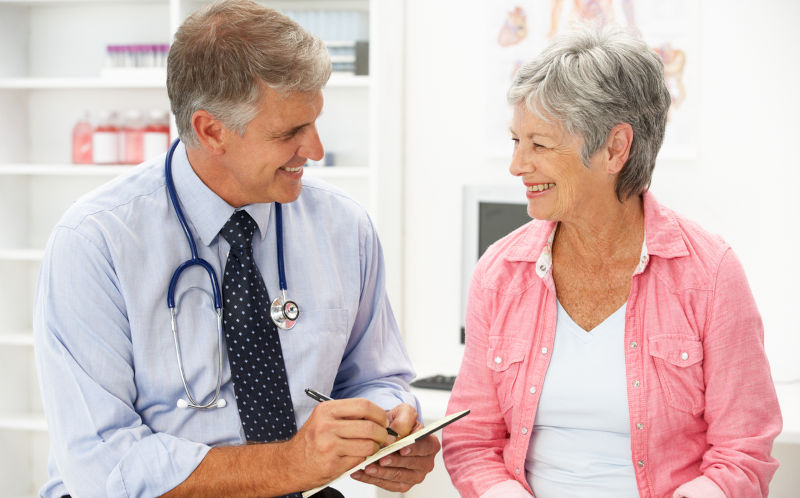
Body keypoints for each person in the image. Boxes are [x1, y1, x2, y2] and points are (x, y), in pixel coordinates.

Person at [33, 1, 439, 496]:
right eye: (289, 132)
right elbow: (103, 464)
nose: (315, 149)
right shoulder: (95, 243)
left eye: (314, 121)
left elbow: (376, 376)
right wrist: (289, 465)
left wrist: (389, 425)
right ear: (210, 131)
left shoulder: (343, 227)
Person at [442, 24, 781, 498]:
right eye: (515, 141)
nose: (517, 165)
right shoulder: (500, 272)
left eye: (539, 144)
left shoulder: (710, 274)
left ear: (615, 148)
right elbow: (472, 440)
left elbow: (742, 454)